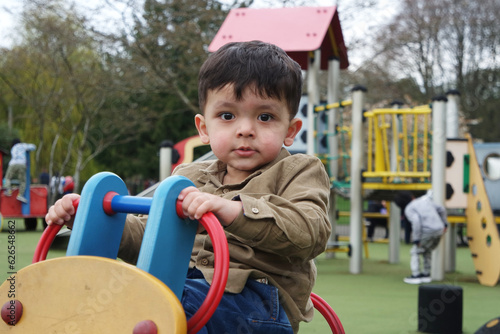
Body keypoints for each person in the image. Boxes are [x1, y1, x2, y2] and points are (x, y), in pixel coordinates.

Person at [46, 41, 331, 334]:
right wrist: (89, 220)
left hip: (257, 302)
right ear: (204, 128)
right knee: (109, 296)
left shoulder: (299, 170)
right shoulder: (188, 176)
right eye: (228, 116)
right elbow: (151, 238)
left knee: (162, 303)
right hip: (183, 287)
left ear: (290, 131)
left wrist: (232, 211)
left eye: (265, 117)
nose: (245, 129)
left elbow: (309, 232)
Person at [395, 191, 447, 284]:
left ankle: (416, 275)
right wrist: (445, 223)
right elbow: (441, 209)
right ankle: (426, 274)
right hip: (439, 229)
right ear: (412, 196)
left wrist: (416, 239)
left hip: (427, 231)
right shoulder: (424, 201)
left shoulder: (409, 208)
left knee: (415, 251)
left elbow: (416, 222)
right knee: (427, 250)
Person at [3, 138, 36, 203]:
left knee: (7, 178)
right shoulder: (23, 145)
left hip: (13, 163)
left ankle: (8, 190)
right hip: (22, 163)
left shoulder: (13, 148)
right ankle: (20, 195)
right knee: (22, 180)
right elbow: (33, 147)